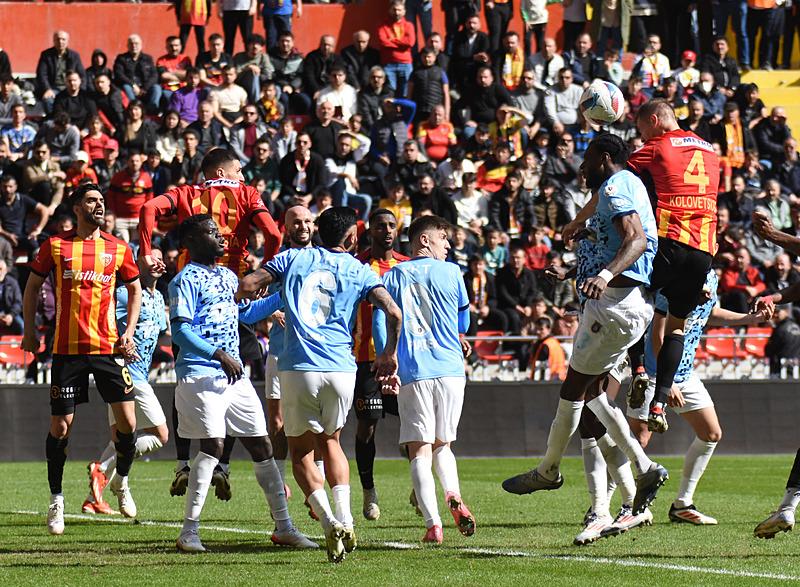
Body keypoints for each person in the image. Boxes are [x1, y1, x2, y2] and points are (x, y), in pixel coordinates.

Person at [502, 134, 668, 543]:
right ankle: (637, 477)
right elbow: (609, 243)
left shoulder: (616, 186)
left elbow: (637, 240)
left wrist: (604, 275)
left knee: (574, 389)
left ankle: (550, 470)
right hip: (618, 303)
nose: (581, 167)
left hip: (616, 302)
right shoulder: (617, 190)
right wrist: (576, 262)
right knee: (592, 397)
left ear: (605, 158)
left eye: (588, 159)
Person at [237, 206, 403, 563]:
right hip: (342, 369)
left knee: (300, 454)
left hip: (299, 367)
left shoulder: (292, 259)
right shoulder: (360, 269)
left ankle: (329, 523)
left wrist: (234, 293)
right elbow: (393, 311)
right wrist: (388, 353)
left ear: (318, 231)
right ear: (352, 237)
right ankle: (346, 518)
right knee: (332, 442)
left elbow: (249, 284)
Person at [168, 214, 314, 552]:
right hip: (200, 374)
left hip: (233, 376)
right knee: (212, 446)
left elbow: (244, 313)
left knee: (262, 445)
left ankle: (284, 527)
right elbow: (180, 330)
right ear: (191, 240)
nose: (221, 238)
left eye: (220, 232)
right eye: (211, 233)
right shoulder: (184, 280)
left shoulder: (225, 275)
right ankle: (189, 532)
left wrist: (284, 294)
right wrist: (218, 353)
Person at [22, 183, 142, 535]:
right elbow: (31, 287)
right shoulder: (56, 246)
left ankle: (121, 481)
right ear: (76, 207)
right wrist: (30, 331)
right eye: (92, 201)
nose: (99, 205)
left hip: (107, 348)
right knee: (61, 428)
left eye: (102, 201)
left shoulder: (118, 248)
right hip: (67, 350)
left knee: (129, 424)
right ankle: (56, 500)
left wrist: (128, 331)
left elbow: (134, 288)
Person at [629, 269, 768, 525]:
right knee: (639, 439)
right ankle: (617, 505)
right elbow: (658, 333)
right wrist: (665, 382)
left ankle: (682, 504)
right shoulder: (676, 274)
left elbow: (711, 313)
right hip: (654, 373)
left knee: (711, 433)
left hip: (685, 373)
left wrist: (751, 318)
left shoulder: (712, 276)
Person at [373, 214, 475, 544]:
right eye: (444, 238)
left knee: (419, 449)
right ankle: (453, 495)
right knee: (443, 444)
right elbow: (465, 319)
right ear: (425, 241)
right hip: (451, 370)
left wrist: (386, 357)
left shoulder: (394, 276)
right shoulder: (453, 272)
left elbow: (381, 320)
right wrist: (456, 333)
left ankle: (433, 525)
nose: (448, 245)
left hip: (414, 370)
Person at [83, 249, 171, 515]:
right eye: (150, 257)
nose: (158, 261)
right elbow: (101, 323)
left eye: (160, 257)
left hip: (139, 371)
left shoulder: (159, 298)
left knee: (120, 437)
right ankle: (103, 468)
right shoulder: (124, 293)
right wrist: (118, 343)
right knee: (160, 435)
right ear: (135, 263)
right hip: (126, 372)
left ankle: (93, 499)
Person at [351, 209, 408, 521]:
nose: (387, 230)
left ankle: (418, 480)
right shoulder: (357, 265)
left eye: (391, 225)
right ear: (369, 230)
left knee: (414, 421)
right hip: (366, 359)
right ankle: (368, 490)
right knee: (367, 426)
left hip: (402, 359)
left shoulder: (407, 265)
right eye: (381, 226)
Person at [262, 205, 313, 501]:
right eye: (297, 222)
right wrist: (275, 311)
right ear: (286, 227)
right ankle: (280, 481)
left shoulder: (323, 259)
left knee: (313, 419)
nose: (303, 226)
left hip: (311, 354)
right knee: (277, 419)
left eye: (307, 221)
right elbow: (263, 300)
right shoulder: (276, 262)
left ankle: (314, 478)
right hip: (280, 351)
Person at [108, 150, 154, 242]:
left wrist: (146, 216)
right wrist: (113, 213)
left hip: (138, 218)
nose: (134, 163)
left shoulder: (146, 177)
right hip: (121, 218)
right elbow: (110, 196)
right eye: (132, 161)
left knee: (136, 245)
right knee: (123, 244)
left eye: (137, 161)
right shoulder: (118, 177)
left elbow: (150, 198)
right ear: (127, 162)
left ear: (141, 162)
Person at [35, 31, 86, 112]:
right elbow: (42, 74)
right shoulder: (46, 55)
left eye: (63, 39)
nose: (60, 42)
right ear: (54, 41)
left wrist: (81, 90)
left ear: (67, 41)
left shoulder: (74, 56)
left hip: (70, 87)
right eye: (58, 39)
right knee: (48, 100)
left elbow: (82, 75)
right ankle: (54, 120)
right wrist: (47, 89)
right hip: (53, 88)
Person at [377, 1, 416, 97]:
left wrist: (392, 40)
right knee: (389, 92)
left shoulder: (409, 25)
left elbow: (410, 42)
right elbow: (383, 42)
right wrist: (401, 44)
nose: (397, 12)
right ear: (390, 10)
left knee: (406, 93)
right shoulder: (383, 25)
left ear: (404, 11)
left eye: (399, 10)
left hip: (406, 64)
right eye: (394, 9)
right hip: (389, 64)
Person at [113, 35, 160, 114]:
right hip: (131, 88)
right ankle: (134, 109)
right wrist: (133, 85)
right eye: (131, 44)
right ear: (127, 46)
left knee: (157, 88)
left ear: (141, 45)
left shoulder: (148, 58)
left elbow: (154, 75)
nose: (134, 46)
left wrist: (145, 88)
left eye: (136, 43)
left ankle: (152, 111)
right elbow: (119, 74)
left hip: (145, 88)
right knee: (126, 87)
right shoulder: (121, 58)